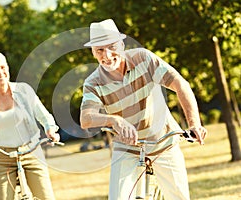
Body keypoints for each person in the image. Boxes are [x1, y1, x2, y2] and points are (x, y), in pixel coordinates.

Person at [80, 19, 207, 200]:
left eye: (111, 47)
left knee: (179, 197)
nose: (106, 55)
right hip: (127, 148)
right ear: (93, 52)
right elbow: (86, 118)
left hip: (164, 142)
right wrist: (114, 120)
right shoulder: (93, 83)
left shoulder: (143, 58)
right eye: (99, 50)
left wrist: (194, 123)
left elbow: (180, 84)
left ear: (122, 44)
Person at [0, 51, 60, 200]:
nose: (0, 72)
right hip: (0, 159)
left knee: (46, 197)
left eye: (3, 67)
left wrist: (50, 129)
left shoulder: (24, 90)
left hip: (31, 152)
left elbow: (44, 116)